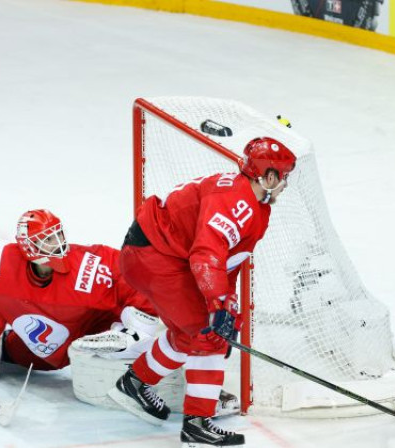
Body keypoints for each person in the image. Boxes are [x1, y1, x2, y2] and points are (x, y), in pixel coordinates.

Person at [108, 136, 297, 447]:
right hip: (154, 255)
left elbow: (225, 259)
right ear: (269, 176)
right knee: (207, 335)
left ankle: (134, 382)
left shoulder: (256, 206)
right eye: (284, 176)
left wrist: (227, 303)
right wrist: (217, 306)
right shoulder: (239, 203)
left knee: (192, 333)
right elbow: (206, 256)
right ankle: (197, 424)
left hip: (161, 253)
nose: (285, 184)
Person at [0, 209, 160, 393]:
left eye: (59, 234)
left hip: (89, 334)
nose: (59, 242)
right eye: (49, 239)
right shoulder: (1, 268)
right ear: (29, 246)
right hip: (38, 351)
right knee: (17, 350)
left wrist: (141, 326)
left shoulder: (87, 268)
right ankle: (4, 346)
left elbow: (128, 273)